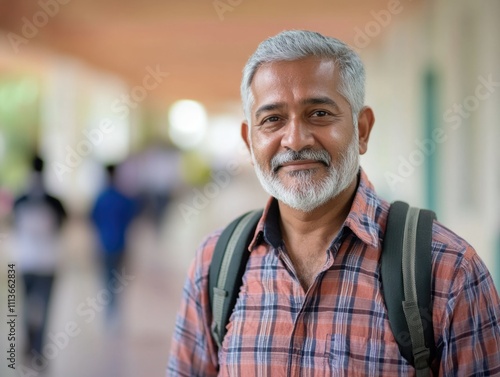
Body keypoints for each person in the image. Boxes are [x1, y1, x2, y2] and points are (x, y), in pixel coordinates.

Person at [167, 30, 500, 376]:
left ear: (363, 130)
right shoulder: (214, 266)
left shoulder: (449, 271)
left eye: (320, 114)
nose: (295, 139)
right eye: (272, 120)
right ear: (249, 143)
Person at [12, 155, 67, 357]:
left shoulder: (20, 200)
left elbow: (13, 225)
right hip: (47, 262)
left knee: (27, 305)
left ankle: (29, 345)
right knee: (45, 307)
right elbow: (62, 225)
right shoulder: (54, 201)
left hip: (26, 261)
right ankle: (38, 348)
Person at [90, 164, 137, 323]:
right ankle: (114, 309)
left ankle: (110, 311)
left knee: (107, 278)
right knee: (117, 279)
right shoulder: (122, 198)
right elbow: (131, 217)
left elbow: (93, 219)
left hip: (105, 244)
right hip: (119, 244)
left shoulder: (101, 198)